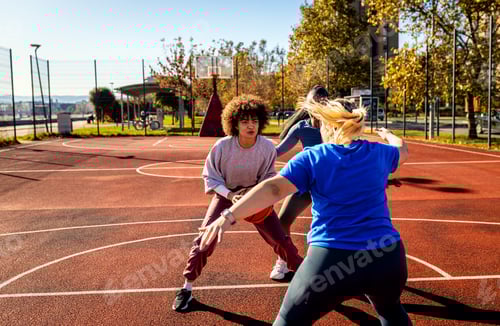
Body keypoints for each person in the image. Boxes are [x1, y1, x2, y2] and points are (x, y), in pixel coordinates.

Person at [199, 98, 411, 325]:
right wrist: (387, 135)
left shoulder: (314, 157)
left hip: (333, 261)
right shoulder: (381, 153)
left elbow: (273, 189)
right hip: (387, 257)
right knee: (390, 311)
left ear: (327, 125)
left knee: (287, 321)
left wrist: (228, 216)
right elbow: (402, 149)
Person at [172, 94, 303, 312]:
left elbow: (269, 177)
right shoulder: (222, 147)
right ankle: (186, 289)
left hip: (254, 196)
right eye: (244, 121)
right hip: (226, 196)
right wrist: (231, 196)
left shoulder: (267, 147)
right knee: (205, 238)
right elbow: (211, 177)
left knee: (282, 240)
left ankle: (308, 280)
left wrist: (253, 194)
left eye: (254, 121)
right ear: (234, 123)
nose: (250, 125)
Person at [270, 85, 328, 280]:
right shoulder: (301, 128)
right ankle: (283, 261)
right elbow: (278, 151)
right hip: (306, 183)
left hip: (330, 184)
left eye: (323, 102)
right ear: (308, 105)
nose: (318, 106)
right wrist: (255, 150)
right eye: (315, 102)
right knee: (282, 221)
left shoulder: (334, 126)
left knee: (333, 225)